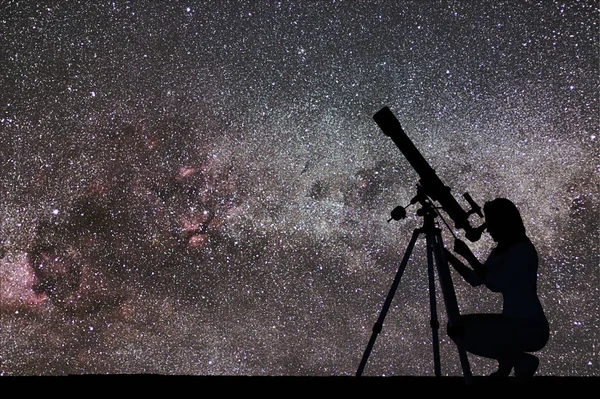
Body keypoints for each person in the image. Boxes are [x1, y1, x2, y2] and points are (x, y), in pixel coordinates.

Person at [444, 197, 549, 379]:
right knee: (456, 327)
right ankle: (510, 361)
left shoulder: (521, 250)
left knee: (459, 329)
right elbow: (476, 279)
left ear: (503, 223)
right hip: (513, 323)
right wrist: (448, 257)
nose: (488, 229)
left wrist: (468, 255)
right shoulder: (501, 251)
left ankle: (517, 359)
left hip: (530, 327)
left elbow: (495, 284)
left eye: (491, 223)